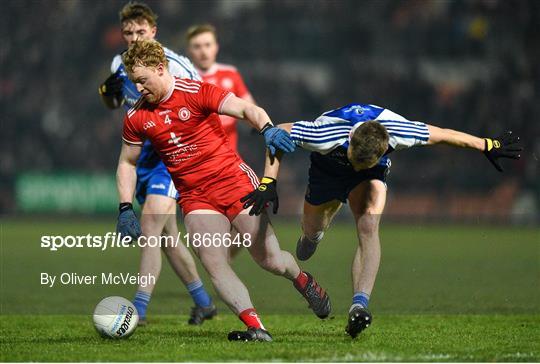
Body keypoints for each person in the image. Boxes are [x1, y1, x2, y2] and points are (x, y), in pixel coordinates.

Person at [240, 103, 522, 338]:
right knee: (312, 229)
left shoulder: (400, 132)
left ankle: (359, 305)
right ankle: (315, 234)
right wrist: (268, 182)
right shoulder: (325, 133)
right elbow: (278, 133)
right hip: (329, 169)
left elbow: (444, 135)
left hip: (370, 176)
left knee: (368, 225)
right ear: (350, 144)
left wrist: (486, 144)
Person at [116, 39, 330, 342]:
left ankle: (303, 280)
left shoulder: (196, 91)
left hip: (234, 183)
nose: (138, 89)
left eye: (142, 80)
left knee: (268, 259)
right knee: (214, 262)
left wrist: (267, 129)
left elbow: (247, 109)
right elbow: (127, 162)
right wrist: (125, 207)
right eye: (134, 82)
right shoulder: (136, 116)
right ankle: (256, 327)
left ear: (160, 68)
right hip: (194, 196)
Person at [98, 2, 215, 326]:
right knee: (166, 239)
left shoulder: (175, 65)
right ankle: (204, 303)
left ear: (153, 31)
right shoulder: (118, 63)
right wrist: (107, 95)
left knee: (149, 226)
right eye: (128, 32)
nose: (134, 37)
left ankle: (138, 310)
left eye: (140, 31)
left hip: (173, 156)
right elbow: (116, 104)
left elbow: (202, 101)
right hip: (144, 159)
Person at [185, 24, 255, 153]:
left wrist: (263, 128)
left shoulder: (231, 73)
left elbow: (251, 108)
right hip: (197, 158)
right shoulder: (184, 79)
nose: (203, 52)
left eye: (207, 45)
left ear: (216, 47)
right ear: (189, 50)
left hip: (230, 156)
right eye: (197, 47)